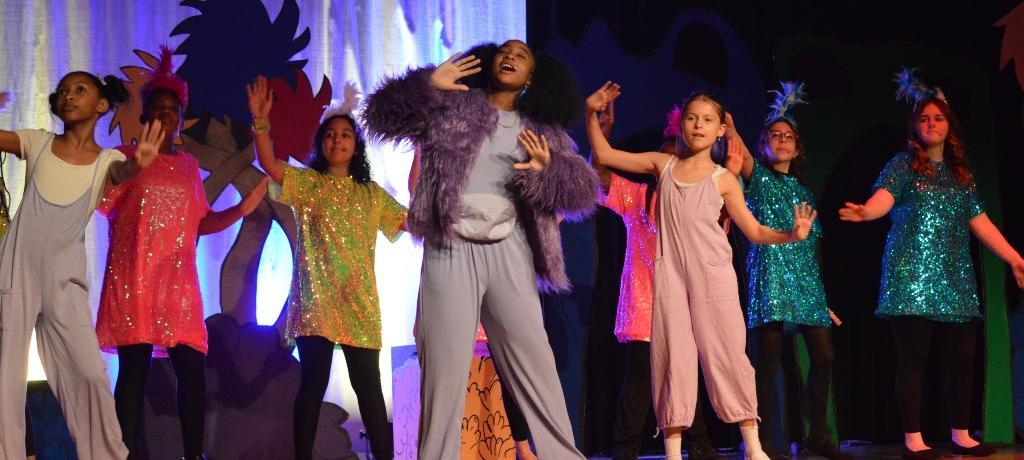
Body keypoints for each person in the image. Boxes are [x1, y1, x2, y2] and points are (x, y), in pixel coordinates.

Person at [363, 40, 600, 458]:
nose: (510, 58)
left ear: (531, 77)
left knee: (535, 364)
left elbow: (582, 191)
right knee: (444, 369)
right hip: (450, 244)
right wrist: (426, 87)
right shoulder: (451, 108)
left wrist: (550, 173)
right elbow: (379, 116)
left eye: (522, 55)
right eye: (503, 53)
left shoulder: (542, 129)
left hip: (511, 248)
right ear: (490, 64)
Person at [586, 81, 816, 460]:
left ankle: (753, 446)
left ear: (720, 130)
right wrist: (589, 112)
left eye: (707, 119)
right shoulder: (663, 166)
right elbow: (605, 153)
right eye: (692, 118)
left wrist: (792, 234)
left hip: (713, 278)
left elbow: (754, 232)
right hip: (671, 279)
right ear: (681, 125)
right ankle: (674, 452)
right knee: (672, 360)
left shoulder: (723, 179)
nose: (698, 125)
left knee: (728, 356)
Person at [839, 69, 1024, 460]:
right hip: (910, 276)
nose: (931, 123)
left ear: (948, 125)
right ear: (915, 127)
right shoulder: (903, 165)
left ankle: (961, 434)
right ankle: (913, 440)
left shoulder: (961, 175)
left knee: (961, 359)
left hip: (954, 277)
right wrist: (866, 213)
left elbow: (981, 224)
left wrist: (1014, 258)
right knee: (914, 360)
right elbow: (883, 200)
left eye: (937, 118)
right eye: (924, 118)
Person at [95, 47, 268, 460]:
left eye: (173, 109)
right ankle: (126, 455)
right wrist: (136, 164)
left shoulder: (189, 166)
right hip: (135, 280)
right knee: (133, 375)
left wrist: (240, 211)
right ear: (145, 114)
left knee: (192, 374)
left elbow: (199, 224)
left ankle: (195, 455)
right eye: (157, 107)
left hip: (177, 284)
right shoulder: (123, 158)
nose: (165, 114)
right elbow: (99, 201)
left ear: (180, 118)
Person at [0, 70, 162, 459]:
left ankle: (106, 453)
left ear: (101, 105)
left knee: (90, 371)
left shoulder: (107, 159)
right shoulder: (38, 142)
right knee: (7, 376)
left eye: (80, 90)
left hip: (64, 281)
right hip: (16, 272)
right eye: (63, 91)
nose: (69, 96)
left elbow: (122, 173)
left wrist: (138, 165)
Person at [249, 76, 406, 460]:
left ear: (356, 146)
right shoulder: (308, 184)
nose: (337, 140)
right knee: (313, 384)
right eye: (331, 135)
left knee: (369, 388)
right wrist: (261, 123)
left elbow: (413, 223)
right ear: (322, 144)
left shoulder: (372, 195)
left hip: (358, 303)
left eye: (345, 135)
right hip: (316, 305)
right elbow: (268, 163)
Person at [726, 82, 848, 460]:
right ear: (764, 144)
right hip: (771, 279)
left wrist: (823, 301)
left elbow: (814, 250)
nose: (781, 140)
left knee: (824, 357)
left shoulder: (806, 193)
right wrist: (729, 127)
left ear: (797, 148)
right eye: (774, 135)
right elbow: (740, 152)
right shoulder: (758, 179)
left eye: (788, 137)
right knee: (769, 363)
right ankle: (764, 441)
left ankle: (819, 436)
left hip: (807, 285)